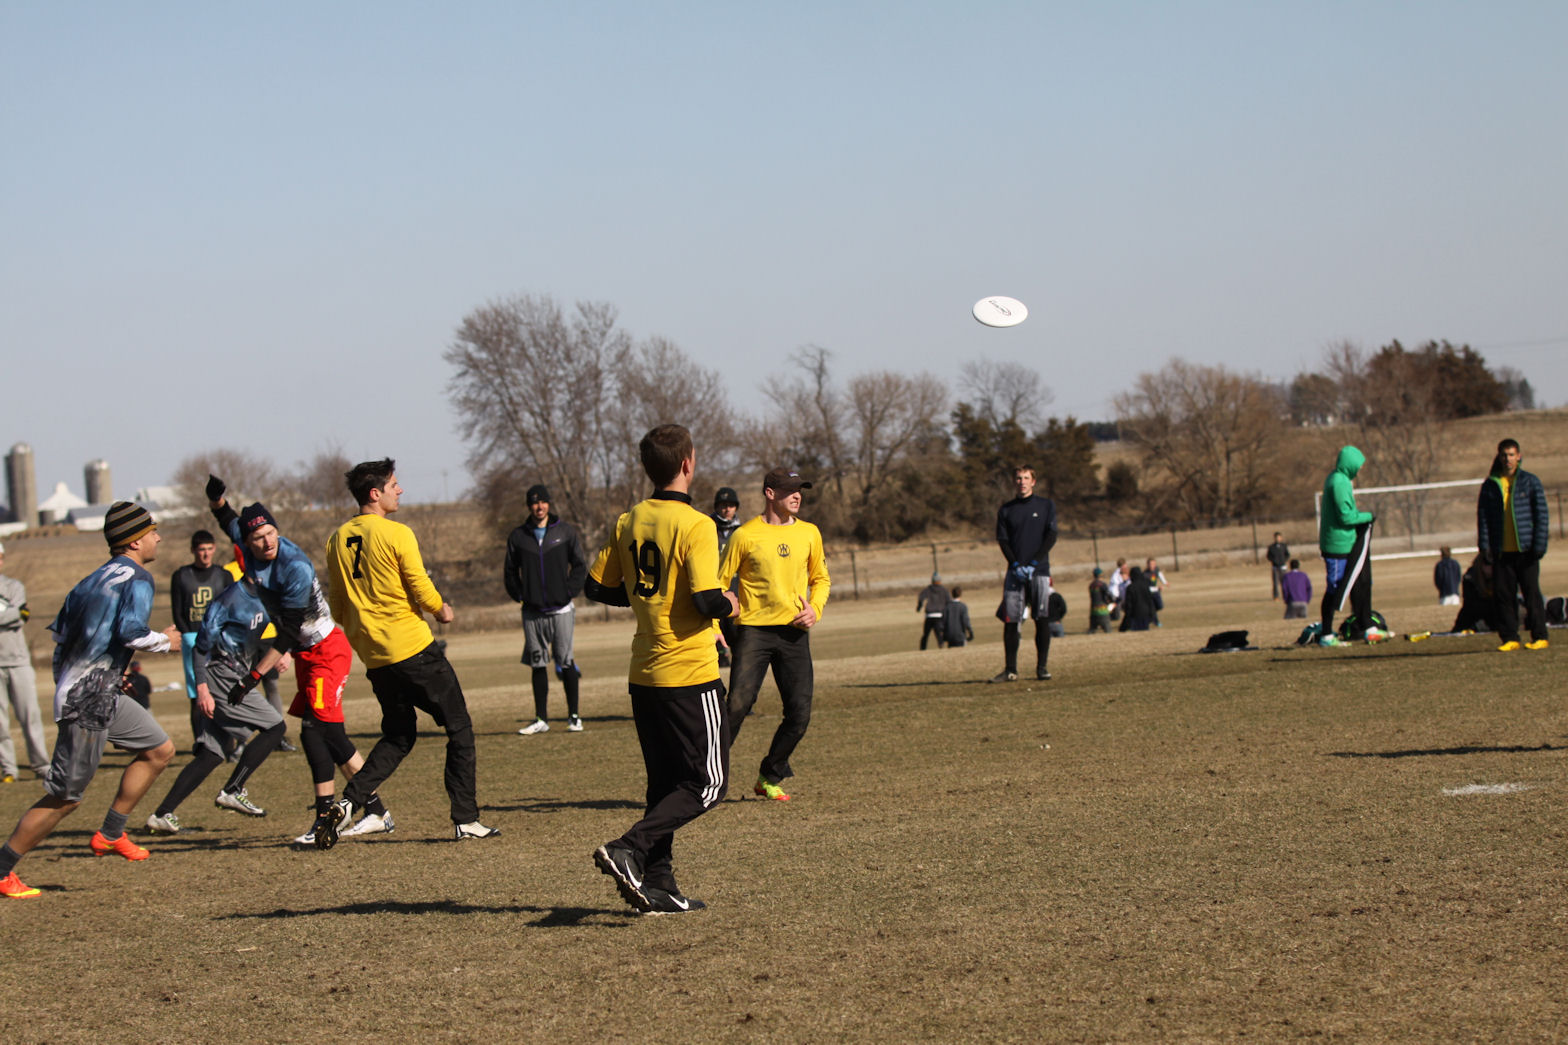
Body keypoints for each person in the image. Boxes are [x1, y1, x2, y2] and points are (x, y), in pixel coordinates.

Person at [584, 424, 739, 915]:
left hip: (644, 674)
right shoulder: (696, 524)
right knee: (709, 784)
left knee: (665, 785)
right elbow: (706, 599)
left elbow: (597, 586)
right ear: (688, 463)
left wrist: (644, 598)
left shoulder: (629, 519)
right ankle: (628, 848)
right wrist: (732, 603)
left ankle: (659, 884)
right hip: (688, 674)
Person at [0, 502, 181, 900]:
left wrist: (99, 674)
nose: (158, 537)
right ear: (133, 541)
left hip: (98, 691)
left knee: (159, 750)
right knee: (65, 796)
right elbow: (132, 633)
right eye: (151, 531)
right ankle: (1, 870)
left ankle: (111, 833)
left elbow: (61, 639)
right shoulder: (138, 578)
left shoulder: (90, 580)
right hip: (89, 699)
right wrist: (167, 642)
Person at [327, 458, 497, 844]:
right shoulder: (396, 533)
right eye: (394, 485)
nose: (400, 490)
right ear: (375, 493)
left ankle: (350, 802)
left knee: (399, 735)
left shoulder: (337, 540)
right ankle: (466, 819)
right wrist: (441, 609)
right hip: (414, 650)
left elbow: (337, 605)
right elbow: (419, 585)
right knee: (459, 728)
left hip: (376, 659)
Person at [205, 475, 374, 849]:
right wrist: (216, 500)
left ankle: (324, 820)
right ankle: (376, 809)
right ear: (248, 540)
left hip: (326, 649)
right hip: (306, 654)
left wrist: (252, 677)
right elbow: (229, 521)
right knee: (330, 736)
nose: (267, 542)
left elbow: (288, 632)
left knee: (315, 733)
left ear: (277, 530)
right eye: (258, 537)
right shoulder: (247, 543)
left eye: (271, 533)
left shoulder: (294, 565)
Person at [144, 571, 288, 834]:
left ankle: (162, 815)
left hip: (236, 675)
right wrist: (202, 689)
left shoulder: (267, 596)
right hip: (221, 677)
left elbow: (277, 630)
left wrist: (282, 651)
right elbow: (200, 647)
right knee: (275, 727)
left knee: (212, 753)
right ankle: (233, 788)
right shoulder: (228, 601)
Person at [721, 467, 830, 803]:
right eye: (789, 490)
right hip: (753, 632)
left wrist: (815, 609)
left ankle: (769, 774)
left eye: (800, 490)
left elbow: (820, 579)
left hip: (794, 633)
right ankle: (703, 777)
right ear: (770, 493)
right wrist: (716, 625)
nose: (797, 496)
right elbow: (719, 584)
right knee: (737, 706)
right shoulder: (744, 535)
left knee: (799, 714)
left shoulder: (809, 533)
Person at [503, 484, 589, 735]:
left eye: (542, 502)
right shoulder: (518, 536)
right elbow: (510, 572)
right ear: (529, 506)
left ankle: (574, 717)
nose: (539, 507)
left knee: (566, 661)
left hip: (561, 610)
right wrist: (522, 596)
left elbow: (580, 566)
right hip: (533, 613)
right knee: (538, 664)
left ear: (549, 504)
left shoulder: (565, 532)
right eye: (534, 503)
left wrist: (568, 591)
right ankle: (541, 719)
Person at [1478, 438, 1550, 652]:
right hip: (1502, 551)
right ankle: (1510, 637)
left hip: (1526, 550)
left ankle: (1540, 636)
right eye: (1504, 455)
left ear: (1519, 456)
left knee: (1532, 594)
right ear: (1499, 457)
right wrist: (1485, 546)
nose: (1508, 459)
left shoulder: (1530, 482)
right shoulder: (1491, 485)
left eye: (1511, 455)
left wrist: (1539, 544)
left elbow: (1541, 515)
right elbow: (1483, 518)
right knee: (1503, 597)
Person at [990, 466, 1057, 683]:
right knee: (1011, 621)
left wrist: (1035, 562)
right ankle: (1010, 670)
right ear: (1014, 481)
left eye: (1026, 478)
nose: (1022, 482)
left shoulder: (1046, 505)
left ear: (1033, 481)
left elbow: (1051, 536)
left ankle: (1042, 667)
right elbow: (1003, 541)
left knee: (1041, 619)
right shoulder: (1006, 510)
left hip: (1039, 571)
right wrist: (1016, 564)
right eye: (1019, 478)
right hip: (1015, 573)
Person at [1317, 446, 1383, 646]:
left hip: (1347, 543)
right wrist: (1368, 516)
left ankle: (1367, 627)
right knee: (1335, 588)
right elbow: (1346, 517)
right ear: (1350, 464)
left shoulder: (1339, 479)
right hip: (1337, 546)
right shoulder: (1339, 482)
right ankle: (1326, 635)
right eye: (1358, 465)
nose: (1360, 469)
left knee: (1358, 585)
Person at [170, 530, 231, 749]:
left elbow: (231, 607)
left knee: (222, 690)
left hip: (219, 640)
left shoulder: (223, 575)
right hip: (193, 639)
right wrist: (187, 635)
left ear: (214, 549)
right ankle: (201, 741)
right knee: (197, 692)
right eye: (201, 550)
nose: (205, 554)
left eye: (209, 549)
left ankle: (228, 741)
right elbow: (177, 611)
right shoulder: (181, 576)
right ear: (193, 551)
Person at [0, 540, 50, 784]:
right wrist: (12, 613)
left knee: (30, 717)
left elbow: (20, 616)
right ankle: (8, 769)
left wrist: (16, 614)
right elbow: (16, 613)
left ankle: (41, 765)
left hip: (18, 661)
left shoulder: (13, 586)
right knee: (0, 723)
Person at [710, 487, 742, 668]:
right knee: (715, 641)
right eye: (723, 505)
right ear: (716, 507)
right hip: (713, 592)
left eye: (730, 505)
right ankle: (721, 660)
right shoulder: (707, 529)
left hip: (736, 593)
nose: (727, 509)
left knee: (738, 640)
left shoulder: (742, 531)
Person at [1452, 554, 1497, 633]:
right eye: (1487, 564)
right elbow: (1470, 606)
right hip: (1476, 617)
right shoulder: (1470, 578)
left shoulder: (1502, 576)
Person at [916, 573, 949, 649]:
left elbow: (921, 599)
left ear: (932, 581)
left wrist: (919, 608)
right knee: (939, 635)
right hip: (939, 616)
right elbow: (948, 602)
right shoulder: (944, 590)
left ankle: (923, 649)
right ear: (940, 581)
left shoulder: (928, 589)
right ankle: (941, 647)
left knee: (925, 635)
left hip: (929, 616)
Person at [1119, 566, 1157, 631]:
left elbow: (1129, 605)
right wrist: (1152, 613)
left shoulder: (1130, 588)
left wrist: (1127, 618)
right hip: (1146, 613)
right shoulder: (1146, 585)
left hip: (1135, 614)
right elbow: (1150, 601)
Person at [1087, 568, 1113, 633]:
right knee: (1108, 630)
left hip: (1093, 611)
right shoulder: (1102, 585)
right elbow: (1108, 595)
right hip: (1103, 610)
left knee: (1092, 630)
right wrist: (1111, 601)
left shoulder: (1091, 585)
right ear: (1101, 575)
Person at [1266, 532, 1290, 601]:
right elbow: (1268, 556)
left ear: (1281, 538)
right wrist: (1274, 560)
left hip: (1283, 567)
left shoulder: (1284, 546)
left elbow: (1287, 554)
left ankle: (1286, 595)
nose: (1278, 539)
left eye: (1279, 537)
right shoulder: (1271, 547)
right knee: (1275, 583)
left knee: (1284, 582)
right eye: (1276, 537)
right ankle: (1276, 596)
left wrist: (1284, 560)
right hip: (1275, 568)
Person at [1144, 557, 1168, 626]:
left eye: (1154, 564)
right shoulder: (1145, 574)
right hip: (1149, 593)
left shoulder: (1156, 570)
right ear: (1147, 565)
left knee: (1160, 606)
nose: (1152, 565)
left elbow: (1160, 574)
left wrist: (1165, 582)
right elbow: (1146, 588)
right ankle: (1156, 622)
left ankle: (1150, 616)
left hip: (1156, 592)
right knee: (1153, 608)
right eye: (1151, 564)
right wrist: (1157, 588)